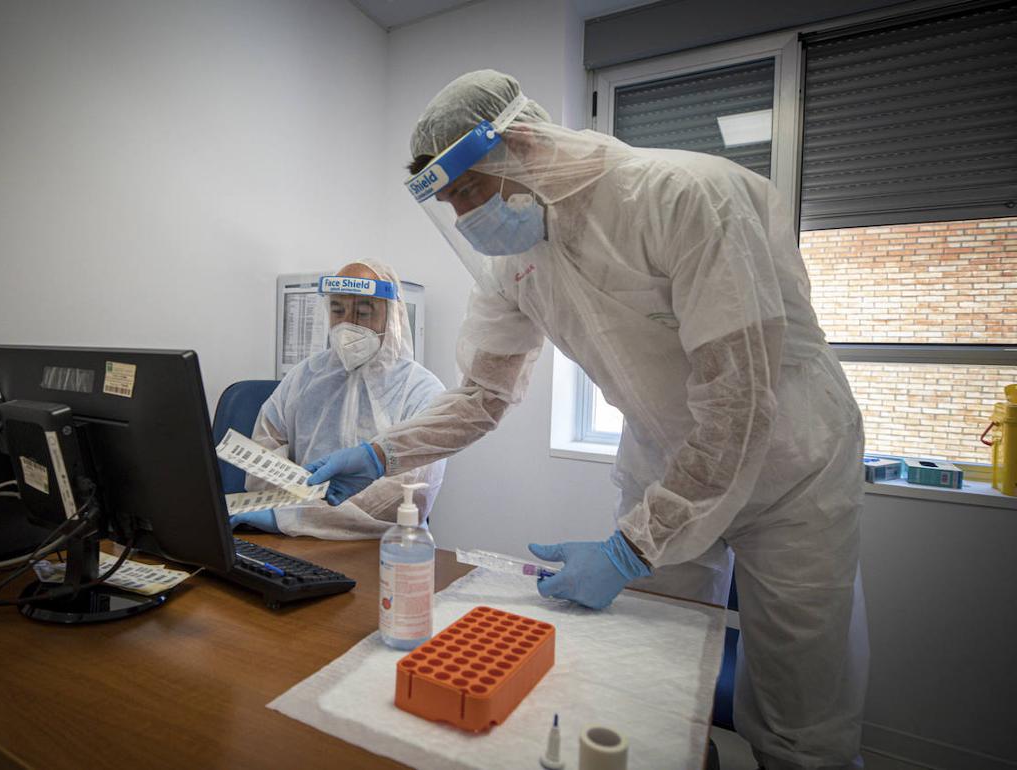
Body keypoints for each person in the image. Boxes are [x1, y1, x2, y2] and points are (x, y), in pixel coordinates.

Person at [304, 71, 868, 769]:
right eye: (451, 203)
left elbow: (738, 400)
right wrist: (383, 453)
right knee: (655, 674)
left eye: (471, 190)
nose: (467, 218)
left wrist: (632, 549)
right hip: (668, 458)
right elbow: (483, 394)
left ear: (526, 146)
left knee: (799, 716)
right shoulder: (514, 267)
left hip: (793, 468)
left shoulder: (680, 197)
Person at [230, 260, 447, 539]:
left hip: (384, 546)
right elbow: (262, 460)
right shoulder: (303, 378)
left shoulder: (421, 391)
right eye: (337, 310)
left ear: (392, 317)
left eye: (363, 312)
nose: (348, 324)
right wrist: (296, 517)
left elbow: (409, 494)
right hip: (295, 541)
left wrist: (294, 515)